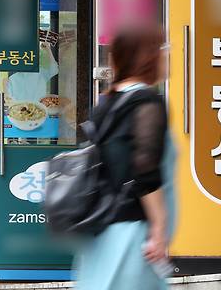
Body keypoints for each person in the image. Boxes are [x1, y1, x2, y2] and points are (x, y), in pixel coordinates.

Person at [74, 26, 175, 290]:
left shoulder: (106, 103)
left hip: (101, 235)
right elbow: (145, 170)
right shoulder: (147, 103)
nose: (170, 55)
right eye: (165, 49)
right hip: (133, 235)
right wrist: (159, 229)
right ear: (149, 56)